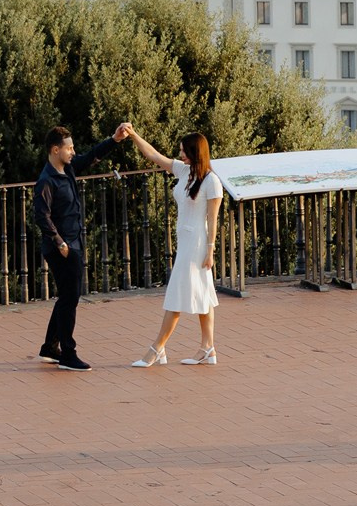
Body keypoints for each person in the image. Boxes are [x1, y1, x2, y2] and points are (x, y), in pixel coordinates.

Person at [31, 120, 134, 370]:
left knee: (67, 296)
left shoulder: (68, 169)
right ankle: (68, 353)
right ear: (55, 150)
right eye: (69, 148)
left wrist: (115, 139)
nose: (73, 152)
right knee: (70, 298)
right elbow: (40, 215)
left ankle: (49, 347)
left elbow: (90, 156)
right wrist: (60, 242)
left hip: (73, 242)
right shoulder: (47, 181)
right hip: (62, 248)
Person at [130, 131, 221, 367]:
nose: (180, 154)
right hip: (185, 241)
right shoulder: (184, 171)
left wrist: (210, 251)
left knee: (177, 296)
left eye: (184, 150)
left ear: (194, 152)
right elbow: (153, 155)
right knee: (203, 295)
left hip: (198, 244)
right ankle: (208, 348)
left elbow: (212, 220)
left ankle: (157, 348)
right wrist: (133, 135)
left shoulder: (212, 181)